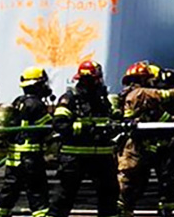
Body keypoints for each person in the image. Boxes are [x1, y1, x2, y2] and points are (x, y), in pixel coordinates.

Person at [117, 63, 174, 217]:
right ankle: (124, 209)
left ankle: (164, 209)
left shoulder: (155, 98)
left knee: (165, 180)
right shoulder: (143, 94)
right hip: (142, 145)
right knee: (135, 181)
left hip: (164, 145)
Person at [50, 61, 122, 217]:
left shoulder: (103, 100)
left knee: (109, 195)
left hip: (102, 155)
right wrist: (83, 129)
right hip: (74, 156)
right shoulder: (70, 99)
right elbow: (59, 123)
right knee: (64, 197)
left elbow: (112, 119)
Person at [0, 67, 55, 217]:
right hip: (31, 157)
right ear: (38, 85)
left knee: (9, 190)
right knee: (37, 192)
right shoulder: (36, 104)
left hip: (14, 157)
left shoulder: (18, 102)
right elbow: (48, 128)